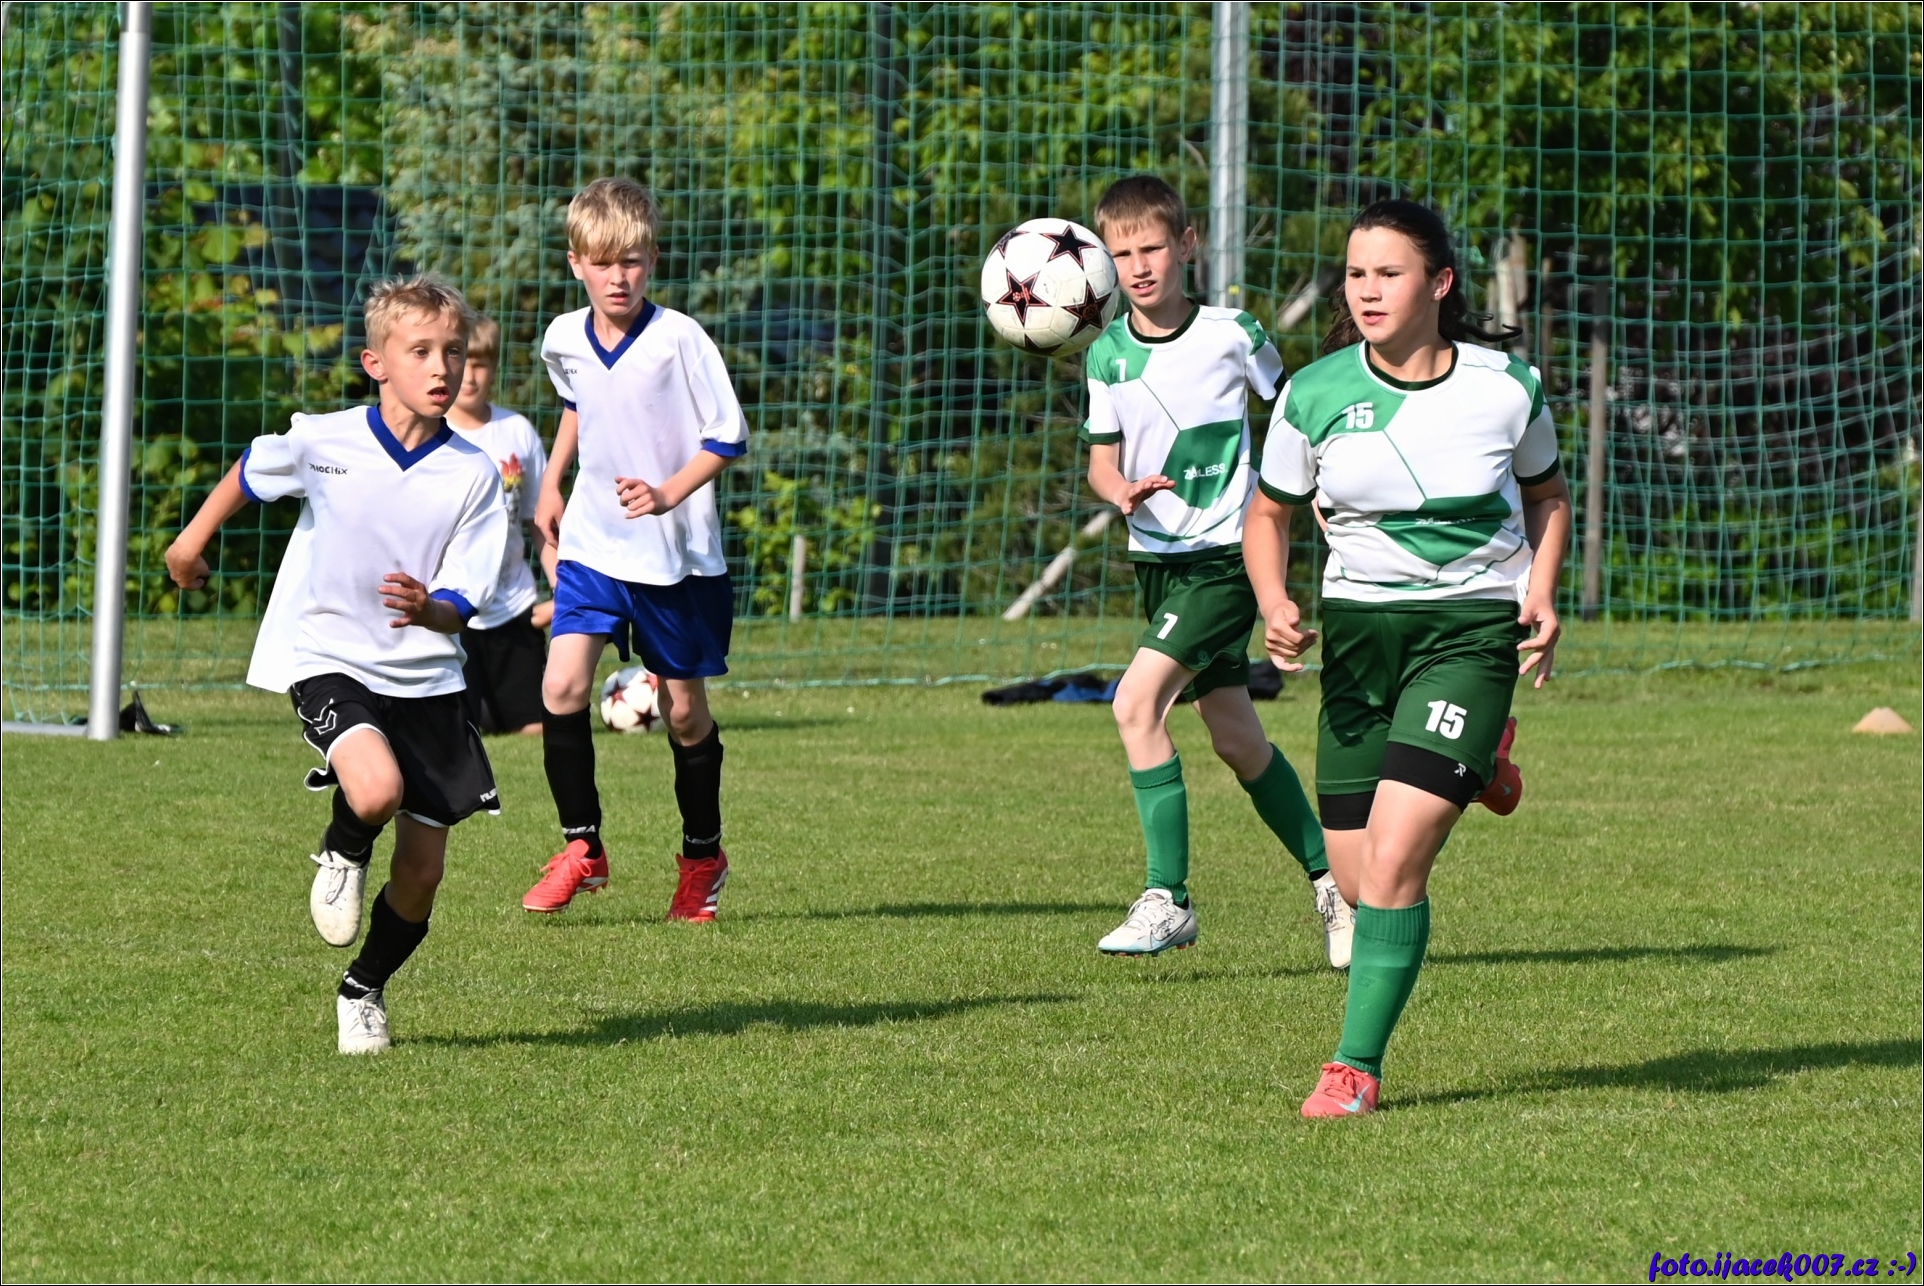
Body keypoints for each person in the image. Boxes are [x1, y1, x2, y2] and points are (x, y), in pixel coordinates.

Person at [1243, 199, 1573, 1117]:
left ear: (1440, 283)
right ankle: (1485, 759)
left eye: (1389, 273)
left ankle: (1353, 1068)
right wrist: (1275, 604)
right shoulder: (1312, 393)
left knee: (1392, 868)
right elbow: (1268, 514)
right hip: (1359, 646)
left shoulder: (1507, 388)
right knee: (1356, 882)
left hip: (1467, 634)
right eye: (1356, 274)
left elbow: (1548, 497)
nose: (1368, 290)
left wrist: (1542, 592)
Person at [164, 275, 508, 1054]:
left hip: (427, 681)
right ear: (375, 362)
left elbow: (464, 598)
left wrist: (429, 608)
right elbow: (253, 468)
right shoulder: (325, 441)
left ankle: (363, 990)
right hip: (330, 659)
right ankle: (344, 845)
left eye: (453, 351)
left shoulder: (474, 474)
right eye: (420, 350)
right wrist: (189, 544)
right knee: (375, 788)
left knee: (421, 876)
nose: (441, 367)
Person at [1078, 175, 1348, 966]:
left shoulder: (1234, 333)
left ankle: (1169, 898)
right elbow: (1100, 462)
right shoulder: (1105, 354)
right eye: (1123, 254)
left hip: (1227, 559)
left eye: (1152, 248)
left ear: (1187, 245)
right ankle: (1335, 882)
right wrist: (1120, 491)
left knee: (1135, 704)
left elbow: (1295, 417)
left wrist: (1323, 491)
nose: (1138, 267)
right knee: (1236, 738)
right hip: (1158, 565)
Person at [521, 176, 748, 920]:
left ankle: (703, 857)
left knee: (684, 714)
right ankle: (582, 848)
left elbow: (727, 437)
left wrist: (668, 493)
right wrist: (552, 483)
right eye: (603, 262)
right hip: (593, 544)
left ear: (652, 259)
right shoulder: (563, 337)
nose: (618, 277)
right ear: (575, 263)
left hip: (675, 557)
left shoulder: (680, 339)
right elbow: (576, 405)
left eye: (633, 260)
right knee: (561, 687)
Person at [446, 313, 558, 736]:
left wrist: (564, 593)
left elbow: (541, 521)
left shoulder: (517, 432)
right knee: (461, 732)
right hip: (449, 610)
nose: (470, 376)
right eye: (461, 362)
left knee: (534, 728)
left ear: (494, 368)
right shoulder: (430, 433)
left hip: (513, 607)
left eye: (480, 364)